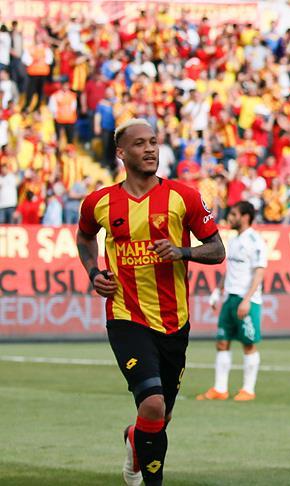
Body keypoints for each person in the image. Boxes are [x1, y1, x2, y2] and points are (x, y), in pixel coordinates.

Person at [76, 119, 225, 486]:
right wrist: (93, 272)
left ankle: (135, 438)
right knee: (153, 404)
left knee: (160, 416)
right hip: (126, 315)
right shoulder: (99, 202)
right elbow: (84, 237)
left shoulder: (184, 197)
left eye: (154, 142)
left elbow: (217, 249)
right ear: (121, 153)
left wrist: (182, 251)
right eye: (140, 143)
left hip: (174, 321)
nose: (150, 149)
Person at [198, 200, 267, 401]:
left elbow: (259, 272)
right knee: (222, 342)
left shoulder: (255, 241)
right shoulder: (234, 240)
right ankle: (220, 389)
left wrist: (247, 300)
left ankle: (248, 390)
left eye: (234, 214)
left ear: (245, 217)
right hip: (229, 298)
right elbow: (231, 270)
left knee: (248, 344)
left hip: (246, 300)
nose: (230, 217)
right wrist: (217, 291)